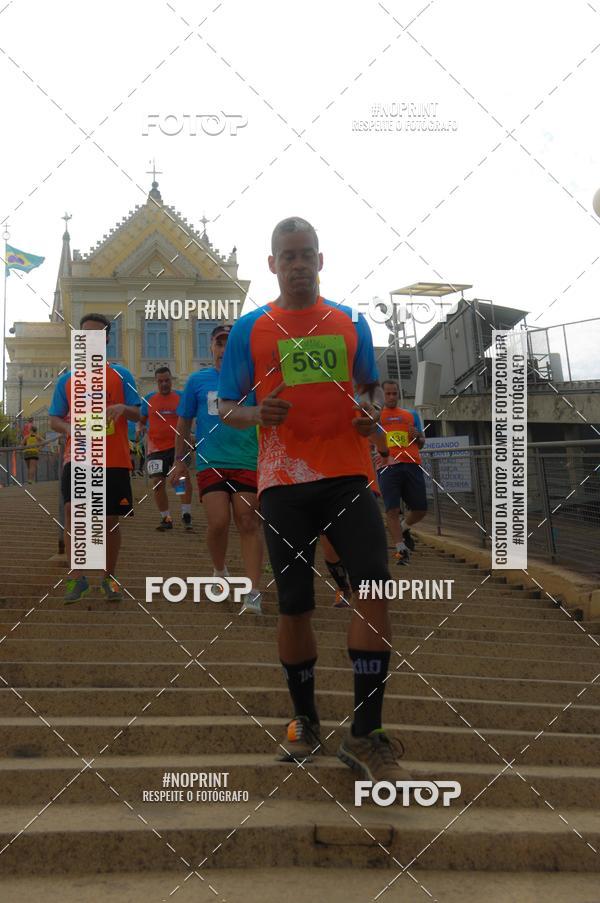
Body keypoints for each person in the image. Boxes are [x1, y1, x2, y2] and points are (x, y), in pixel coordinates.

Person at [218, 216, 410, 782]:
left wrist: (371, 412)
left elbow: (370, 387)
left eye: (307, 254)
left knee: (372, 584)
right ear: (272, 264)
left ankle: (364, 731)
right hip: (283, 484)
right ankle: (304, 718)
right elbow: (225, 405)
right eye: (288, 256)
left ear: (321, 261)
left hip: (348, 477)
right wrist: (255, 413)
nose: (298, 264)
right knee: (295, 603)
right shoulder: (252, 328)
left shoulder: (351, 322)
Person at [49, 312, 141, 603]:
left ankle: (109, 578)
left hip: (112, 458)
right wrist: (69, 428)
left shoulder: (121, 375)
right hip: (77, 457)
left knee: (109, 520)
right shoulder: (67, 379)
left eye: (97, 335)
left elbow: (140, 412)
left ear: (106, 340)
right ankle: (77, 578)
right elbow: (54, 419)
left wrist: (122, 409)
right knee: (71, 513)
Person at [171, 324, 263, 613]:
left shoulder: (254, 383)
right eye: (219, 343)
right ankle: (220, 570)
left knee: (248, 522)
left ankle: (253, 592)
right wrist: (179, 460)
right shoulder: (198, 381)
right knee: (219, 522)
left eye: (231, 343)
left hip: (248, 461)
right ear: (211, 347)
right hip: (211, 462)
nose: (225, 349)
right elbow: (184, 421)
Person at [376, 380, 427, 565]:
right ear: (382, 396)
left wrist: (417, 436)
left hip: (412, 464)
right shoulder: (376, 416)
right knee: (392, 509)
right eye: (387, 394)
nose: (391, 397)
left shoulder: (411, 414)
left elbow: (422, 442)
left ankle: (404, 528)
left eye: (394, 393)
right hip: (387, 466)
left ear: (398, 394)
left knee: (421, 508)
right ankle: (400, 549)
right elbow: (367, 441)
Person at [140, 366, 193, 532]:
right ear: (156, 382)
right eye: (160, 381)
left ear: (172, 380)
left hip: (179, 446)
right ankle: (166, 517)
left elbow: (189, 418)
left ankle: (186, 513)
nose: (164, 384)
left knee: (180, 478)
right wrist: (139, 427)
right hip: (156, 448)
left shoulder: (181, 397)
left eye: (167, 380)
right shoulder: (148, 399)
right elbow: (141, 419)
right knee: (157, 482)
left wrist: (191, 434)